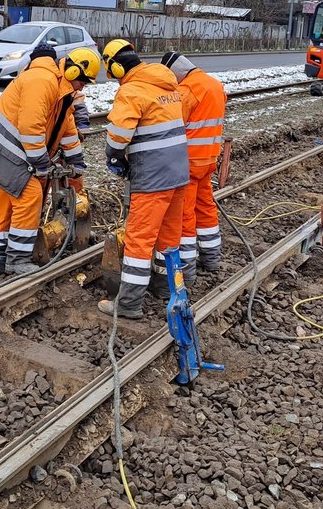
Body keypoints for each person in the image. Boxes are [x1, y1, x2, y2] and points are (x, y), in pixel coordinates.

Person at [0, 42, 100, 274]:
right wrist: (41, 165)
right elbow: (31, 127)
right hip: (5, 148)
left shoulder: (61, 90)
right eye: (83, 81)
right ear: (73, 71)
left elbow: (66, 130)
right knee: (30, 195)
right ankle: (16, 260)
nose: (82, 88)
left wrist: (76, 162)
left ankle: (1, 256)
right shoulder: (43, 81)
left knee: (7, 199)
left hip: (4, 147)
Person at [97, 39, 189, 319]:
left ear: (114, 67)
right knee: (169, 236)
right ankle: (164, 287)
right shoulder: (166, 86)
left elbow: (118, 136)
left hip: (153, 177)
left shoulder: (132, 91)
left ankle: (128, 304)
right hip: (178, 173)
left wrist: (114, 159)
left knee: (139, 239)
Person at [160, 51, 227, 286]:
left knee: (185, 214)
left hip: (188, 163)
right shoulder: (215, 85)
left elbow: (172, 126)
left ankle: (187, 271)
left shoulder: (186, 91)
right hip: (209, 159)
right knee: (206, 207)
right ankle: (211, 257)